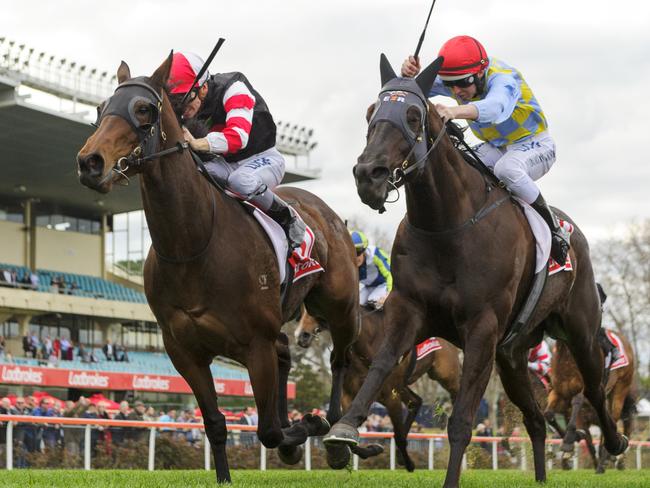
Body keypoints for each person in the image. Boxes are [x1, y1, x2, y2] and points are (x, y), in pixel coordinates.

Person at [401, 35, 570, 264]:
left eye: (462, 83)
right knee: (459, 166)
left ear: (480, 73)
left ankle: (555, 229)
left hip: (535, 145)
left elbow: (495, 108)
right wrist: (409, 75)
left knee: (507, 169)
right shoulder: (461, 79)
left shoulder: (504, 79)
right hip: (498, 146)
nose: (457, 91)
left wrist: (453, 112)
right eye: (450, 85)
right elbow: (411, 90)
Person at [167, 51, 305, 249]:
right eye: (175, 100)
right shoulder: (192, 105)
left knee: (239, 181)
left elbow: (237, 138)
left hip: (264, 158)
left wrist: (197, 144)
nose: (181, 108)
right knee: (193, 173)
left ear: (203, 87)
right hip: (227, 163)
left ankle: (288, 218)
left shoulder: (235, 89)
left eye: (184, 98)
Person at [349, 230, 392, 309]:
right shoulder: (347, 262)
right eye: (351, 253)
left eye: (357, 252)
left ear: (364, 250)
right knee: (356, 304)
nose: (355, 257)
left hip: (384, 285)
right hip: (368, 287)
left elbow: (390, 274)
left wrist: (389, 293)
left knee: (373, 300)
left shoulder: (375, 254)